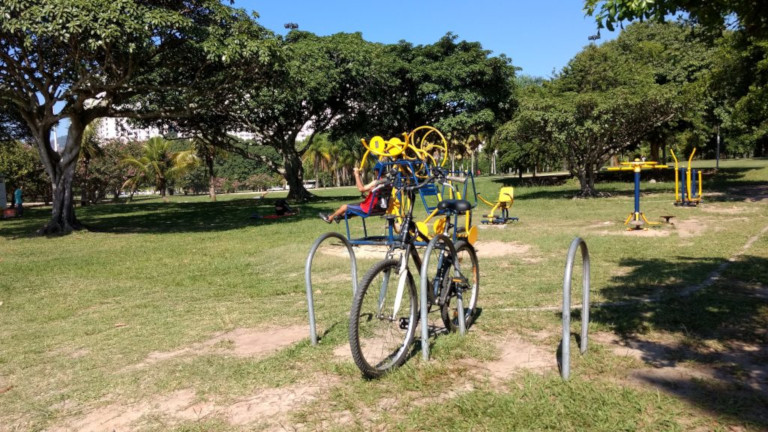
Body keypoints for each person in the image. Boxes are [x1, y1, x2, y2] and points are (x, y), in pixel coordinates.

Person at [319, 163, 388, 223]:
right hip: (377, 208)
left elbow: (361, 189)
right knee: (350, 207)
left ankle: (330, 218)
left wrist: (356, 175)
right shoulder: (386, 182)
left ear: (376, 171)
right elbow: (368, 190)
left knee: (344, 207)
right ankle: (338, 216)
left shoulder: (376, 182)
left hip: (367, 208)